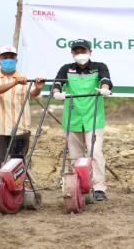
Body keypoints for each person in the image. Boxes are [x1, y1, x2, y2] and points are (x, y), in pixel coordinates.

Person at [0, 44, 44, 202]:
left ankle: (16, 194)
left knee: (17, 164)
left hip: (20, 128)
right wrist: (15, 82)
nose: (8, 60)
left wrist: (37, 88)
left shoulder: (23, 78)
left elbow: (32, 95)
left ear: (16, 59)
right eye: (5, 57)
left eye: (11, 57)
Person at [53, 39, 113, 201]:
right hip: (73, 117)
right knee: (75, 155)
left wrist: (104, 89)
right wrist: (57, 91)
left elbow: (105, 80)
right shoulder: (66, 69)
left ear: (90, 52)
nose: (80, 54)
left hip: (93, 117)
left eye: (83, 51)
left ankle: (99, 187)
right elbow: (57, 82)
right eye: (77, 52)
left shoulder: (99, 66)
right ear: (72, 53)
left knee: (95, 152)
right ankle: (78, 185)